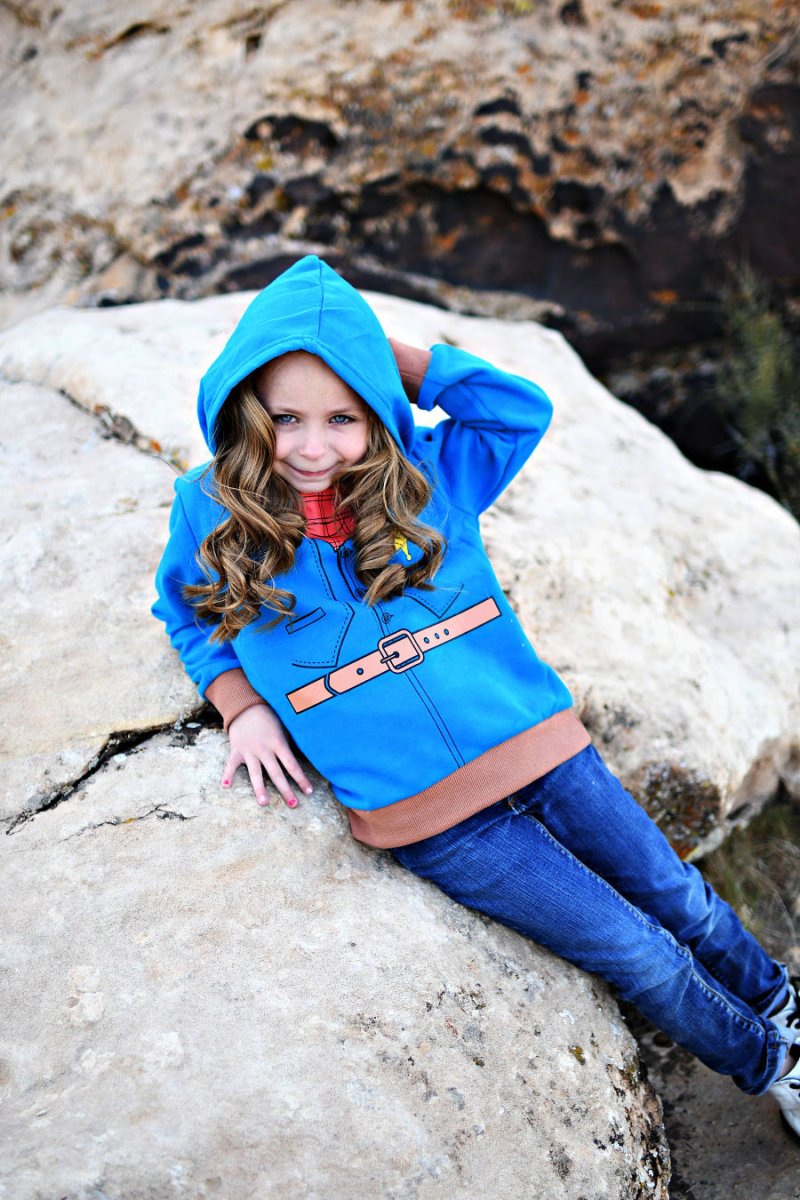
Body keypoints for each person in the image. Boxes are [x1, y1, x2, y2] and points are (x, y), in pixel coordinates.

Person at [152, 254, 800, 1134]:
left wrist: (392, 359)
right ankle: (771, 1064)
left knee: (677, 896)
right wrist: (242, 703)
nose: (311, 445)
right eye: (285, 417)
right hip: (436, 820)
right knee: (635, 951)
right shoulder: (211, 510)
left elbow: (517, 408)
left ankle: (779, 1002)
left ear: (377, 412)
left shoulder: (427, 478)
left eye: (343, 416)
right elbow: (185, 614)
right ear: (242, 407)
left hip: (545, 749)